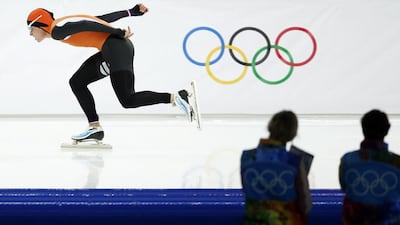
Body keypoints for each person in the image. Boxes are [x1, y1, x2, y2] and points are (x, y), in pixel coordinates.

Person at [26, 3, 193, 142]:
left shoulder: (57, 31)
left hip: (115, 47)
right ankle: (94, 128)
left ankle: (175, 97)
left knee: (128, 99)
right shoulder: (62, 25)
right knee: (77, 82)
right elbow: (99, 20)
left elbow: (87, 24)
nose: (30, 34)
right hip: (113, 48)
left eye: (31, 29)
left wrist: (117, 32)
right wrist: (130, 12)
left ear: (39, 24)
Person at [240, 110, 312, 225]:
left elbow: (246, 190)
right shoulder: (294, 161)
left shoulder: (247, 157)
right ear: (292, 134)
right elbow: (305, 205)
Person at [339, 109, 400, 225]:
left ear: (363, 129)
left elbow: (345, 186)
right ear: (387, 129)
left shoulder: (348, 160)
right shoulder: (397, 163)